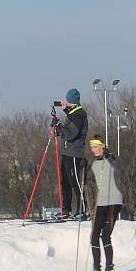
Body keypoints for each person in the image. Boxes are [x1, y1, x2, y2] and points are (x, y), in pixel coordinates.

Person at [83, 135, 124, 271]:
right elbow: (89, 180)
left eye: (95, 146)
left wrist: (109, 158)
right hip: (102, 201)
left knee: (105, 235)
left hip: (114, 200)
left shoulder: (112, 158)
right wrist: (84, 169)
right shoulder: (95, 162)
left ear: (103, 146)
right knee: (94, 235)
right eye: (91, 147)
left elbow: (118, 171)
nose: (93, 149)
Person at [54, 88, 89, 219]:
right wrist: (59, 127)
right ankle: (66, 209)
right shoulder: (72, 113)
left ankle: (82, 210)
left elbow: (71, 134)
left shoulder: (79, 114)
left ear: (71, 101)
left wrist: (60, 126)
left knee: (75, 182)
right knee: (65, 182)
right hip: (66, 152)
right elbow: (67, 130)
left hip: (74, 153)